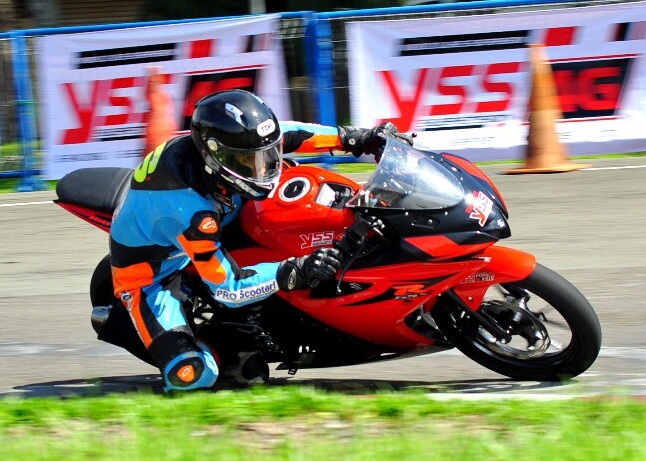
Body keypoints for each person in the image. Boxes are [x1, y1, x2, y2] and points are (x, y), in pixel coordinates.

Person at [107, 89, 410, 392]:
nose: (264, 168)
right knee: (191, 375)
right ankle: (216, 345)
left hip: (221, 212)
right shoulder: (189, 210)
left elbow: (292, 133)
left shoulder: (232, 146)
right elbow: (228, 288)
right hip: (154, 274)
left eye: (265, 157)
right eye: (249, 161)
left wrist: (358, 137)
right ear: (216, 155)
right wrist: (297, 269)